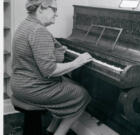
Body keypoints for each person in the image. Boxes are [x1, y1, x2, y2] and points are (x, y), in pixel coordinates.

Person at [10, 0, 93, 135]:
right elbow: (50, 70)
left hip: (20, 84)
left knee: (69, 83)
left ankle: (50, 130)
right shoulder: (39, 31)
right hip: (33, 88)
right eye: (54, 10)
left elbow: (35, 53)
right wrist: (77, 62)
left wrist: (56, 50)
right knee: (82, 95)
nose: (57, 14)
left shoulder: (26, 24)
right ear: (42, 8)